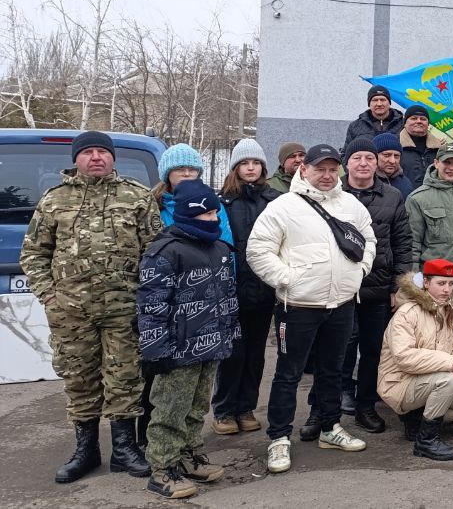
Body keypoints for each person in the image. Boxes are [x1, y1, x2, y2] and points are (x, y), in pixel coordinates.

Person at [20, 131, 162, 484]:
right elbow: (33, 254)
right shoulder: (54, 200)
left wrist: (147, 300)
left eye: (102, 151)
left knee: (125, 378)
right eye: (88, 152)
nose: (96, 157)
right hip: (70, 313)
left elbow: (156, 252)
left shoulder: (137, 197)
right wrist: (50, 297)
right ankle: (86, 450)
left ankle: (124, 449)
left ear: (113, 157)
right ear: (76, 159)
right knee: (79, 378)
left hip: (124, 309)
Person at [247, 143, 376, 474]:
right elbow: (258, 250)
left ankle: (330, 427)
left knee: (332, 370)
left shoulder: (350, 205)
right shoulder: (283, 207)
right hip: (298, 307)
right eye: (320, 169)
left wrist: (359, 272)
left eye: (333, 169)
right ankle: (279, 438)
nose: (327, 175)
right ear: (304, 169)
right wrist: (288, 280)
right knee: (288, 374)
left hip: (342, 304)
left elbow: (369, 241)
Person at [135, 180, 238, 499]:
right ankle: (162, 468)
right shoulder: (165, 252)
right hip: (178, 351)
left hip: (212, 345)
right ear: (188, 215)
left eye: (215, 213)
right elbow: (151, 306)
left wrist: (230, 335)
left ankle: (189, 454)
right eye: (206, 214)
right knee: (170, 410)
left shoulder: (221, 249)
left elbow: (228, 297)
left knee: (196, 408)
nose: (213, 219)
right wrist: (155, 351)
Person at [378, 260, 453, 461]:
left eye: (451, 284)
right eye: (441, 283)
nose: (447, 289)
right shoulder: (407, 313)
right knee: (447, 379)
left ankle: (417, 419)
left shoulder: (448, 309)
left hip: (434, 377)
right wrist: (449, 362)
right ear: (426, 283)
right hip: (400, 383)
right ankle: (426, 441)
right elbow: (404, 357)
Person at [340, 138, 414, 434]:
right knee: (341, 347)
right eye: (357, 157)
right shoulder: (333, 193)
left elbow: (403, 243)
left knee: (374, 350)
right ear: (347, 162)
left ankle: (366, 405)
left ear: (376, 163)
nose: (363, 163)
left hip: (379, 286)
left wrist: (399, 286)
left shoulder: (392, 196)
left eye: (369, 158)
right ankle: (338, 396)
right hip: (341, 287)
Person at [211, 139, 280, 437]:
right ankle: (224, 409)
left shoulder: (275, 200)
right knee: (232, 353)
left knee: (255, 353)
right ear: (235, 168)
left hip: (264, 289)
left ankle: (246, 407)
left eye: (256, 163)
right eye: (244, 163)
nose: (251, 168)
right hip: (232, 288)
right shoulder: (222, 201)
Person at [154, 143, 233, 255]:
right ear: (167, 173)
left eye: (192, 169)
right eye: (180, 169)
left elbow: (226, 246)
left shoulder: (213, 204)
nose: (187, 174)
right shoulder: (154, 205)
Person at [399, 105, 448, 188]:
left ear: (428, 124)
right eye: (414, 118)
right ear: (405, 123)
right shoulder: (395, 147)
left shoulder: (440, 148)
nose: (419, 121)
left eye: (423, 119)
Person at [373, 132, 415, 199]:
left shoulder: (406, 183)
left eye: (396, 156)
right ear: (374, 156)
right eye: (386, 155)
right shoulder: (364, 181)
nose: (392, 161)